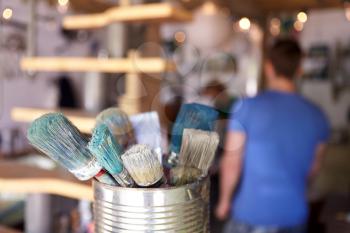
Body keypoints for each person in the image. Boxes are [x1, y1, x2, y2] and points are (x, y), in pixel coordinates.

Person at [216, 38, 330, 233]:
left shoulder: (246, 108)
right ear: (299, 69)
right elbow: (313, 169)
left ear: (269, 68)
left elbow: (232, 162)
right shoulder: (317, 115)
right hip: (294, 215)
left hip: (252, 214)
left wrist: (224, 202)